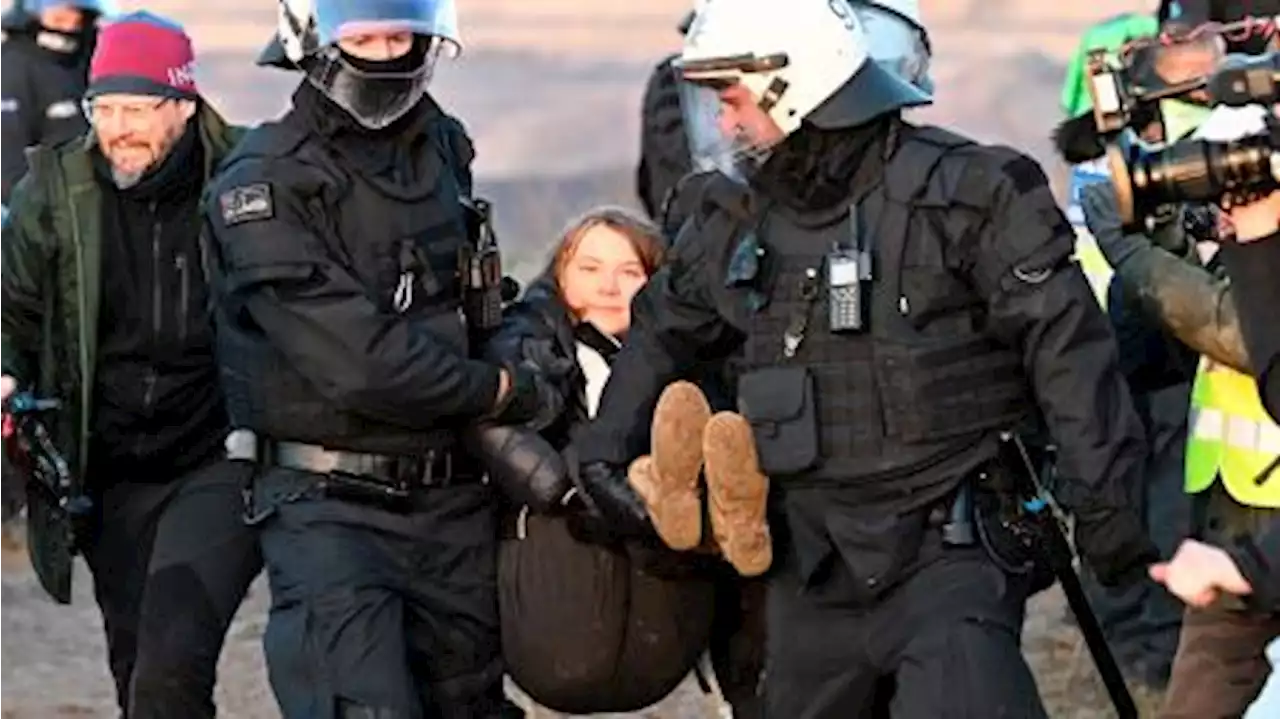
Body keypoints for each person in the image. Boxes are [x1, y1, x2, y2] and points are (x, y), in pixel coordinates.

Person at [575, 0, 1157, 716]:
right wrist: (602, 451)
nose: (723, 123)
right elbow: (663, 326)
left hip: (954, 545)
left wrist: (1105, 501)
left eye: (731, 99)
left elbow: (1069, 351)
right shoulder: (734, 221)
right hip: (810, 561)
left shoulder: (970, 193)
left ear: (796, 85)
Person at [203, 0, 548, 715]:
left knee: (470, 701)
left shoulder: (443, 146)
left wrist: (529, 346)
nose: (386, 55)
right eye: (364, 37)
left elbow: (471, 300)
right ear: (313, 41)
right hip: (328, 504)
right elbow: (357, 360)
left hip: (452, 496)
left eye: (401, 36)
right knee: (363, 704)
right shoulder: (263, 180)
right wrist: (501, 388)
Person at [0, 12, 262, 718]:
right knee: (137, 672)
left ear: (182, 104)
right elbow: (10, 311)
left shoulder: (247, 179)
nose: (118, 127)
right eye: (103, 107)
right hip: (107, 472)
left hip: (218, 456)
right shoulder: (53, 193)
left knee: (169, 669)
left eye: (137, 108)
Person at [481, 206, 768, 716]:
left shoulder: (691, 360)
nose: (608, 287)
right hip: (560, 572)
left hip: (663, 599)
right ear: (559, 276)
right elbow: (497, 430)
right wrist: (573, 490)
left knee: (698, 430)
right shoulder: (522, 347)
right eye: (589, 269)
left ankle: (717, 521)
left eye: (630, 272)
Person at [0, 0, 107, 203]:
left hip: (98, 202)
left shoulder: (92, 55)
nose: (69, 26)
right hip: (46, 208)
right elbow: (8, 165)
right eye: (59, 18)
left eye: (76, 18)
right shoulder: (13, 67)